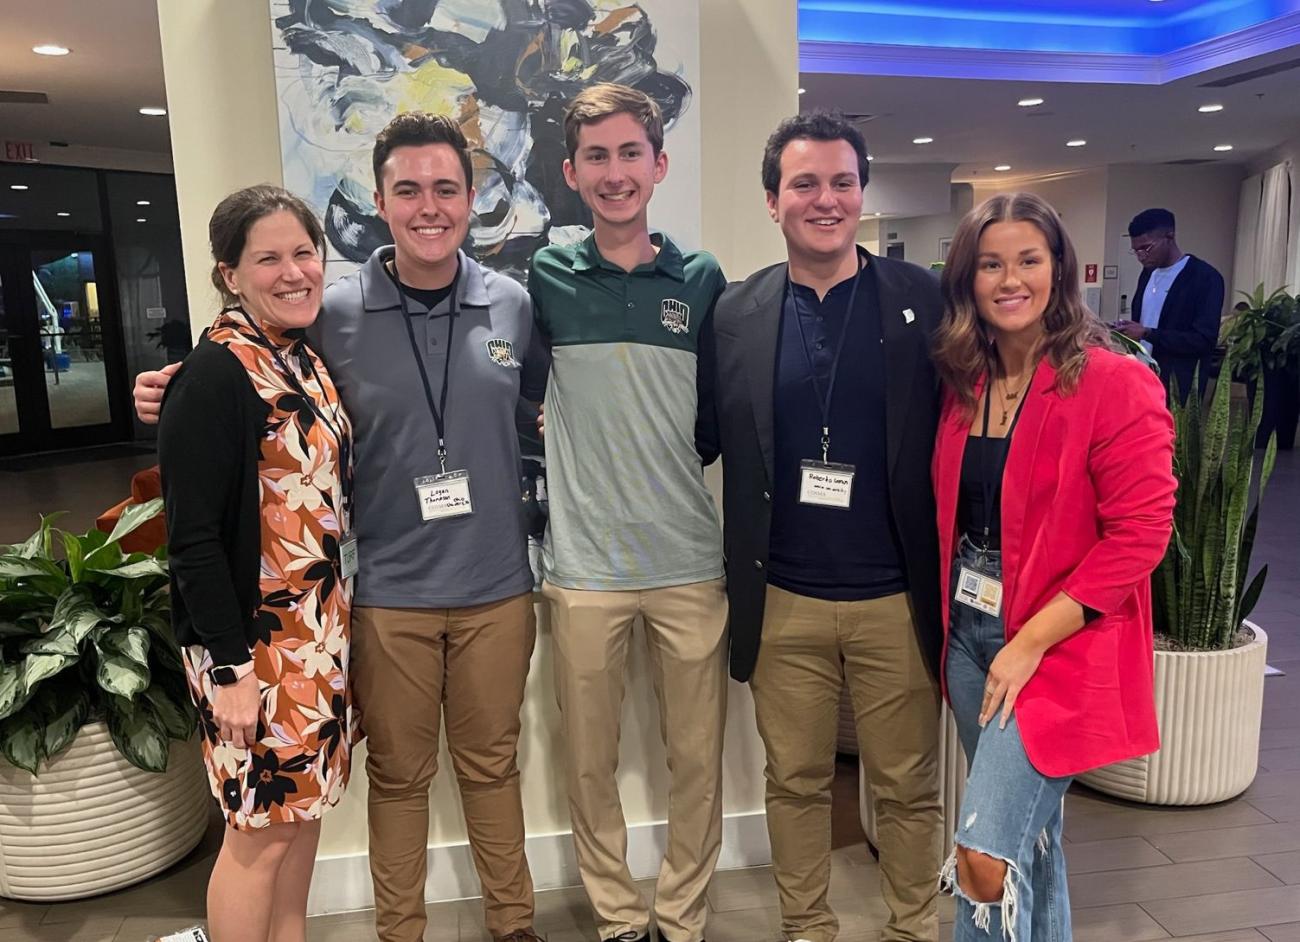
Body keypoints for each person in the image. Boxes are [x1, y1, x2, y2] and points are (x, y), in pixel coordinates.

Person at [137, 114, 548, 942]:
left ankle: (516, 928)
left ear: (472, 199)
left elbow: (538, 413)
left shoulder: (513, 303)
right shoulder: (334, 309)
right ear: (381, 201)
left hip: (496, 590)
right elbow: (240, 365)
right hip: (382, 600)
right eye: (408, 190)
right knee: (395, 781)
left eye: (446, 188)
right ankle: (401, 933)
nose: (428, 206)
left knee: (493, 770)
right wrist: (172, 387)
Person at [700, 111, 945, 942]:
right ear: (774, 201)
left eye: (842, 181)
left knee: (908, 785)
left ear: (862, 192)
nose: (826, 199)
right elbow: (702, 436)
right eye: (805, 183)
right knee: (795, 781)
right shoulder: (735, 313)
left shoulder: (924, 300)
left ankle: (915, 927)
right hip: (785, 600)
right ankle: (808, 929)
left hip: (896, 597)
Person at [930, 192, 1176, 940]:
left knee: (982, 856)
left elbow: (1141, 533)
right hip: (971, 636)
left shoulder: (1112, 379)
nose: (1010, 280)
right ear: (968, 280)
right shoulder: (964, 384)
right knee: (1029, 844)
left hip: (1056, 642)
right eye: (991, 264)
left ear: (1059, 269)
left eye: (1029, 261)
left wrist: (1031, 638)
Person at [527, 83, 728, 942]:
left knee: (698, 763)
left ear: (659, 163)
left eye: (630, 155)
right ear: (573, 173)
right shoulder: (544, 276)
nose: (616, 174)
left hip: (689, 564)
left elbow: (721, 414)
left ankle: (680, 920)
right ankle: (616, 919)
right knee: (588, 763)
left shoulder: (704, 279)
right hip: (583, 571)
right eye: (597, 158)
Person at [158, 185, 355, 942]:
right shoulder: (215, 374)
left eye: (303, 252)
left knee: (299, 822)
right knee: (257, 835)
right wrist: (232, 672)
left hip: (316, 639)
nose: (293, 271)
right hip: (254, 651)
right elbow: (194, 541)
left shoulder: (300, 356)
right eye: (267, 257)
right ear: (229, 273)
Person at [1113, 207, 1224, 401]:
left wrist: (1148, 333)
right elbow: (1144, 322)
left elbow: (1204, 341)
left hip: (1177, 385)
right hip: (1141, 377)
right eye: (1136, 250)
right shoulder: (1148, 274)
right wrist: (1128, 330)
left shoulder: (1205, 277)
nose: (1141, 256)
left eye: (1146, 248)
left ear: (1169, 237)